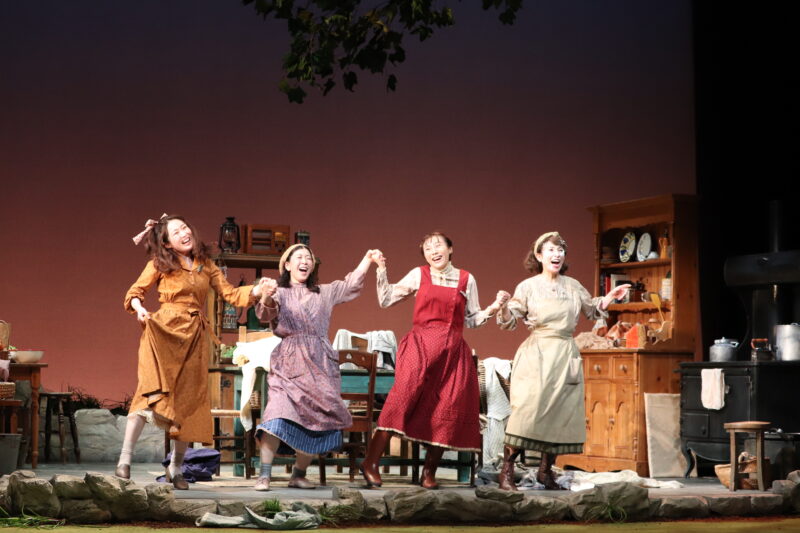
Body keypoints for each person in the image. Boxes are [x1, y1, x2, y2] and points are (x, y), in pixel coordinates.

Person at [119, 214, 269, 489]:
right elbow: (135, 292)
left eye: (185, 227)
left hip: (194, 338)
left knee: (189, 402)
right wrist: (140, 310)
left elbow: (231, 294)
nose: (184, 233)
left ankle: (176, 469)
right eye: (176, 232)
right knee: (147, 393)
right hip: (164, 331)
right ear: (167, 243)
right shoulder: (159, 263)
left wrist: (257, 291)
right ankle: (124, 461)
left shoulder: (205, 265)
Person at [360, 232, 510, 489]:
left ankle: (429, 472)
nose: (433, 251)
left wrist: (494, 307)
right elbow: (386, 300)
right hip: (420, 346)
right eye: (428, 248)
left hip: (453, 352)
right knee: (401, 399)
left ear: (450, 249)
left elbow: (472, 320)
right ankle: (370, 462)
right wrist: (381, 269)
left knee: (446, 407)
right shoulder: (419, 274)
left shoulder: (466, 278)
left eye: (438, 245)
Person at [496, 231, 629, 490]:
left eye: (560, 250)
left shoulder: (573, 285)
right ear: (539, 256)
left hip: (566, 353)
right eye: (551, 250)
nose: (557, 255)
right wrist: (502, 306)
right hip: (537, 354)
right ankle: (506, 472)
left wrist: (610, 297)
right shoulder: (528, 286)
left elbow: (592, 309)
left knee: (561, 412)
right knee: (527, 411)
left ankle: (545, 471)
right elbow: (510, 320)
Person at [252, 244, 382, 491]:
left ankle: (298, 475)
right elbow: (264, 316)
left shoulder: (324, 292)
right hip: (289, 362)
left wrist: (367, 260)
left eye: (308, 258)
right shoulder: (280, 292)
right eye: (299, 257)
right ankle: (264, 475)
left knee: (315, 419)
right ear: (287, 265)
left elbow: (350, 284)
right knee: (276, 414)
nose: (305, 261)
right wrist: (266, 295)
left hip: (320, 362)